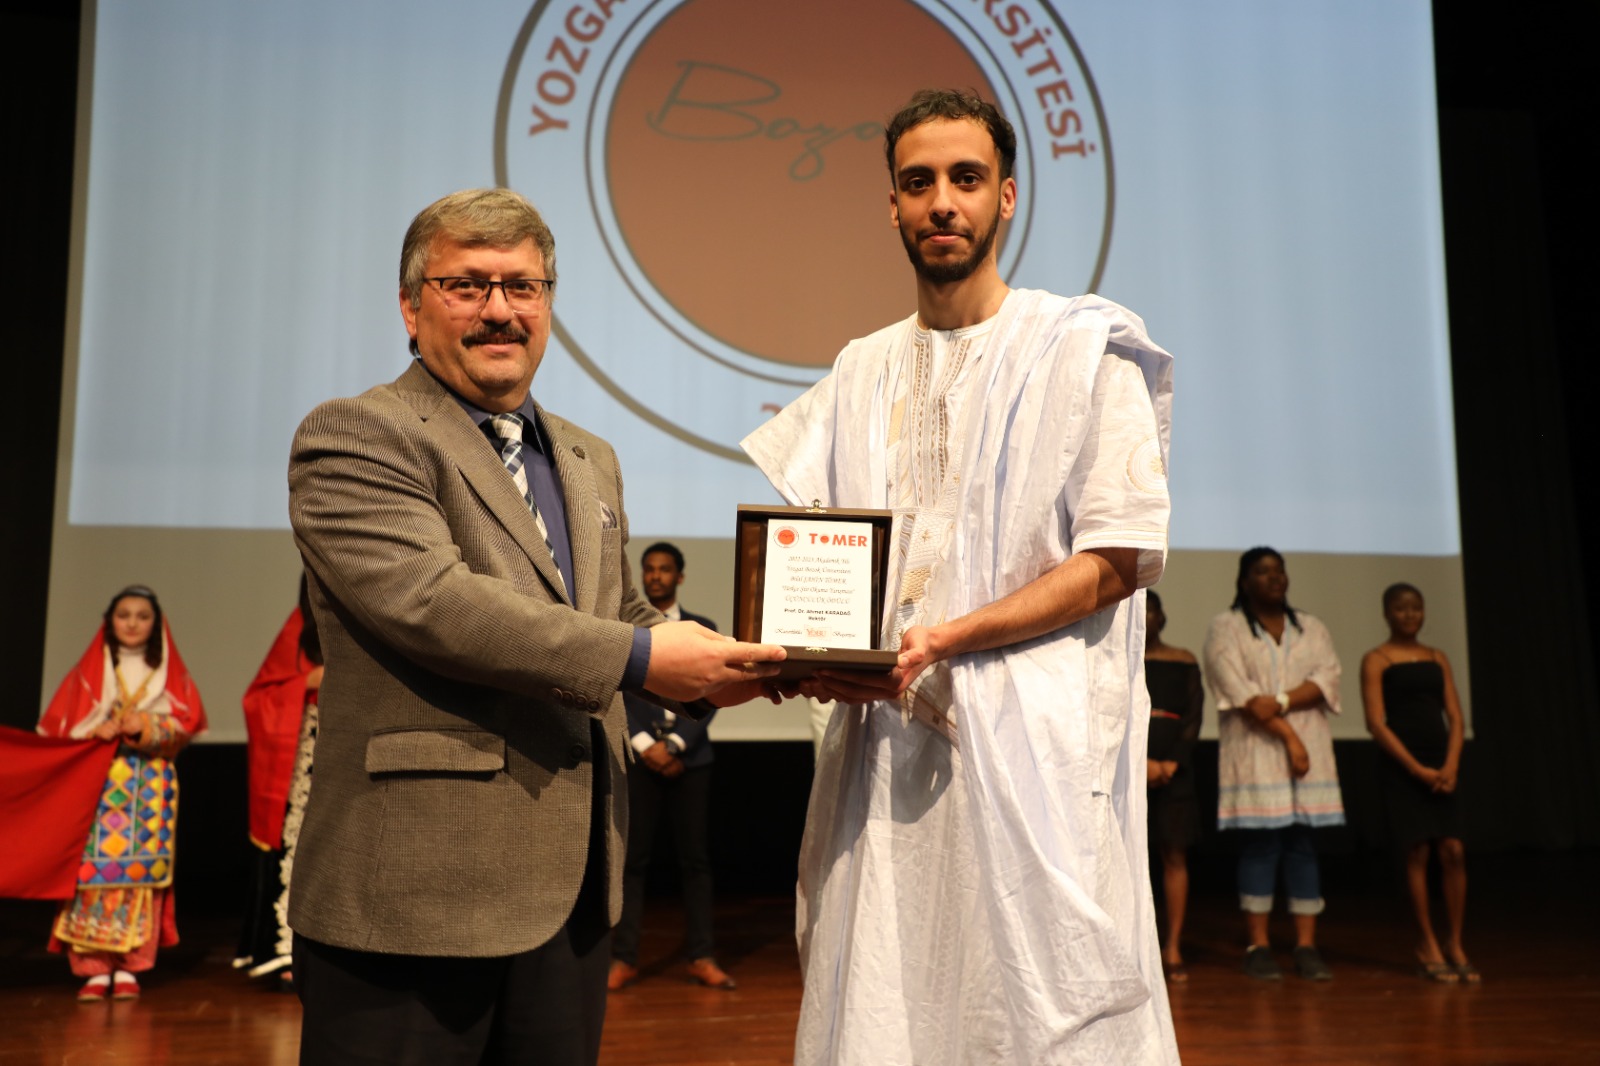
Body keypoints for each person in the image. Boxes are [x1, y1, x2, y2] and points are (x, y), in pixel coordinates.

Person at [285, 187, 785, 1066]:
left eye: (522, 286)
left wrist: (742, 666)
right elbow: (437, 605)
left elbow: (615, 613)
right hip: (414, 896)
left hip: (573, 897)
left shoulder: (590, 456)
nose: (499, 310)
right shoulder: (359, 434)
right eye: (466, 286)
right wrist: (643, 657)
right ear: (410, 306)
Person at [743, 89, 1179, 1065]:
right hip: (882, 757)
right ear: (893, 205)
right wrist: (811, 654)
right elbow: (824, 568)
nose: (942, 201)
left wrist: (944, 638)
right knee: (885, 1006)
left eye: (966, 178)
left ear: (1006, 196)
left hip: (1031, 759)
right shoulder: (859, 371)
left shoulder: (1083, 349)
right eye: (918, 182)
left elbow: (1114, 562)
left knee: (1035, 1013)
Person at [37, 585, 206, 1001]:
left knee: (139, 875)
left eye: (142, 616)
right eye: (124, 615)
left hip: (148, 788)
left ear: (156, 623)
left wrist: (145, 727)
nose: (132, 623)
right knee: (91, 875)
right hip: (95, 786)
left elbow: (186, 727)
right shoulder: (88, 676)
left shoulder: (167, 676)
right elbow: (59, 729)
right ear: (110, 622)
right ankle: (94, 969)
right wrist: (95, 730)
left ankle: (130, 967)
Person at [1202, 547, 1344, 982]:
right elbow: (1241, 693)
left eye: (1279, 571)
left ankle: (1306, 947)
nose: (1274, 577)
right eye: (1263, 571)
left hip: (1309, 754)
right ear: (1244, 581)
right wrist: (1289, 736)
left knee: (1303, 845)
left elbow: (1326, 678)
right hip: (1256, 751)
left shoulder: (1311, 627)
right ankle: (1258, 946)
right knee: (1260, 845)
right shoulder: (1225, 627)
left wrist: (1280, 702)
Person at [608, 542, 735, 992]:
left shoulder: (705, 629)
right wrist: (646, 746)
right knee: (632, 861)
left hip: (692, 760)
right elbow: (619, 691)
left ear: (679, 577)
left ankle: (702, 956)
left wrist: (677, 744)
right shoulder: (625, 631)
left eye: (664, 570)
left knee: (695, 862)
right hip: (639, 759)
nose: (655, 576)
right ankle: (623, 958)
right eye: (649, 569)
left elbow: (715, 694)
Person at [1360, 583, 1476, 982]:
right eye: (1401, 608)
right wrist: (1415, 769)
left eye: (1416, 608)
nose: (1409, 615)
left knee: (1454, 850)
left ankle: (1455, 942)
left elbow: (1455, 717)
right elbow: (1376, 723)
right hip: (1403, 767)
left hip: (1442, 764)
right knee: (1417, 852)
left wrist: (1451, 764)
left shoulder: (1437, 657)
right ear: (1386, 613)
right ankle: (1427, 943)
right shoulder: (1376, 659)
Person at [235, 576, 322, 989]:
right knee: (297, 846)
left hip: (351, 752)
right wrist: (306, 683)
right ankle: (286, 948)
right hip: (305, 755)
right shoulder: (297, 629)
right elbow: (259, 698)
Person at [1143, 590, 1202, 983]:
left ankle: (1173, 945)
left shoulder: (1184, 660)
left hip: (1174, 772)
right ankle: (1134, 950)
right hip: (1127, 771)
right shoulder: (1115, 659)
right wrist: (1140, 763)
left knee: (1174, 855)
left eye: (1152, 611)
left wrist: (1171, 763)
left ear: (1162, 617)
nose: (1146, 617)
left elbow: (1194, 717)